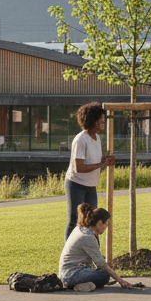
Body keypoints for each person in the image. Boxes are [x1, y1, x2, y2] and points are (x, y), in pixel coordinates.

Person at [63, 102, 115, 242]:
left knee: (93, 220)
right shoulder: (81, 139)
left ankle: (94, 254)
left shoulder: (97, 138)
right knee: (75, 220)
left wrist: (105, 160)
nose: (103, 122)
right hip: (76, 184)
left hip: (91, 185)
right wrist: (100, 163)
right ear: (91, 121)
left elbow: (93, 160)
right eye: (100, 120)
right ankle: (69, 255)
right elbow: (79, 167)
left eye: (104, 120)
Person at [58, 203, 135, 291]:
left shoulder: (81, 228)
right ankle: (78, 285)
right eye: (106, 223)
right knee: (104, 275)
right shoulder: (87, 237)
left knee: (102, 274)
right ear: (99, 223)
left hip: (67, 273)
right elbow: (101, 264)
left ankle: (86, 284)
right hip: (71, 275)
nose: (107, 226)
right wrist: (121, 281)